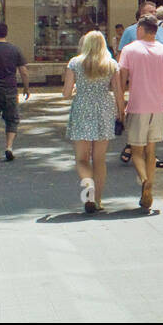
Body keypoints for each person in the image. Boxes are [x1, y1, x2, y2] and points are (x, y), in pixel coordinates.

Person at [118, 14, 163, 210]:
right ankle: (150, 189)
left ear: (140, 29)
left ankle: (145, 180)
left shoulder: (129, 50)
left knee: (136, 151)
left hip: (138, 105)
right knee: (151, 152)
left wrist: (120, 106)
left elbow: (121, 80)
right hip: (158, 106)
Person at [62, 30, 124, 212]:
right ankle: (98, 200)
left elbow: (66, 93)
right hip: (104, 109)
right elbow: (118, 92)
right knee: (99, 160)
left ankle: (87, 189)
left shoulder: (75, 63)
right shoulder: (111, 64)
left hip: (82, 108)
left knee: (82, 159)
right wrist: (121, 113)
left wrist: (72, 91)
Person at [0, 22, 30, 163]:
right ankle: (9, 147)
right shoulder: (15, 50)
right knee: (12, 120)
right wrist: (26, 88)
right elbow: (24, 72)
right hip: (11, 90)